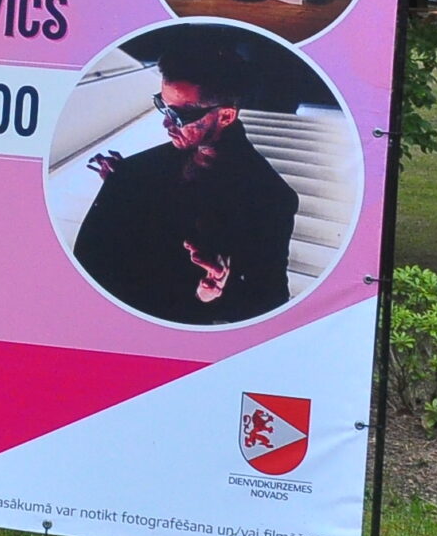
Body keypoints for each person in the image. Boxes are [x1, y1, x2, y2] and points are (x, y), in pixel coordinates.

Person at [71, 32, 298, 324]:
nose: (166, 123)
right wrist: (126, 187)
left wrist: (216, 291)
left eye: (181, 115)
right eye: (162, 105)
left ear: (226, 116)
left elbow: (269, 303)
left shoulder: (270, 198)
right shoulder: (140, 168)